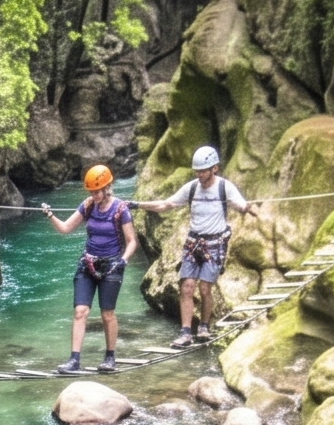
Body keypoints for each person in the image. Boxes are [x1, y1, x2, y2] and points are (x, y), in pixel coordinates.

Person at [134, 144, 252, 346]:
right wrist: (137, 205)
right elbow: (166, 205)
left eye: (203, 170)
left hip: (215, 245)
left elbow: (240, 205)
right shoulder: (192, 188)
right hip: (193, 244)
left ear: (214, 168)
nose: (199, 174)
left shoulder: (224, 187)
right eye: (197, 170)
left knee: (205, 288)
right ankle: (185, 333)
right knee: (186, 287)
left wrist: (248, 208)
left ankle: (204, 327)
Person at [39, 164, 139, 374]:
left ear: (107, 188)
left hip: (112, 266)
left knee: (107, 314)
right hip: (88, 265)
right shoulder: (88, 205)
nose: (93, 195)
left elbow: (131, 242)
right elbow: (66, 229)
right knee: (80, 311)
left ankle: (110, 357)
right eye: (91, 191)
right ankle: (74, 360)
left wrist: (122, 261)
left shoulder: (121, 209)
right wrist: (50, 215)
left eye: (97, 191)